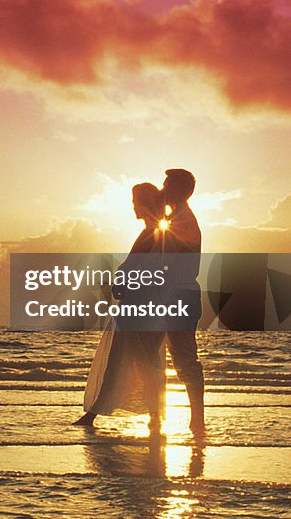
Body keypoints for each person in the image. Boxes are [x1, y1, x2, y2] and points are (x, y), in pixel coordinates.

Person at [74, 183, 167, 435]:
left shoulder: (155, 233)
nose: (133, 206)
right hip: (139, 303)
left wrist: (127, 283)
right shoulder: (152, 232)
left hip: (142, 304)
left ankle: (153, 415)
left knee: (139, 358)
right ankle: (97, 414)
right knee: (126, 357)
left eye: (136, 201)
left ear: (145, 203)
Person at [161, 168, 205, 435]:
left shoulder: (182, 221)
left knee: (185, 359)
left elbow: (168, 263)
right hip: (177, 295)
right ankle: (187, 417)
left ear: (178, 189)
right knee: (173, 357)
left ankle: (197, 419)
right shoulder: (175, 218)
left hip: (178, 296)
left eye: (166, 185)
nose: (162, 189)